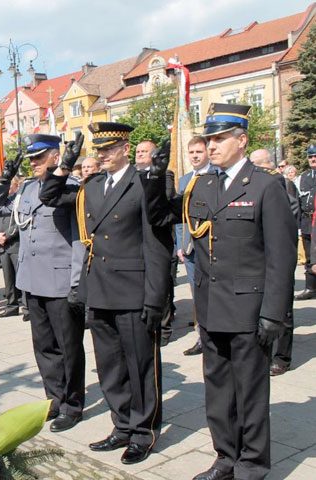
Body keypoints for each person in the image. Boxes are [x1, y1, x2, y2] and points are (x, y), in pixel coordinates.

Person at [145, 103, 296, 480]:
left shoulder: (265, 185)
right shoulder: (203, 184)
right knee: (218, 392)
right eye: (208, 138)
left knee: (250, 393)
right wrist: (155, 174)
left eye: (219, 138)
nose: (211, 145)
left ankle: (252, 465)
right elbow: (161, 216)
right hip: (210, 308)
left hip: (248, 309)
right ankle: (225, 457)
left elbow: (282, 255)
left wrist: (274, 312)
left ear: (241, 140)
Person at [75, 122, 171, 465]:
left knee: (141, 365)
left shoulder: (143, 184)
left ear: (125, 149)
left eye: (108, 149)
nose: (102, 155)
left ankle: (143, 433)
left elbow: (156, 243)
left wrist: (155, 296)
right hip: (101, 288)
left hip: (133, 289)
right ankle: (122, 425)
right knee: (110, 366)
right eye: (98, 150)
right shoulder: (94, 185)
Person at [0, 132, 86, 433]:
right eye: (30, 158)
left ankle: (72, 405)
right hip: (32, 279)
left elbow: (78, 239)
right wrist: (3, 180)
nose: (33, 163)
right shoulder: (29, 188)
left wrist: (76, 283)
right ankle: (54, 399)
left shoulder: (70, 188)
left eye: (39, 157)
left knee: (68, 347)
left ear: (55, 157)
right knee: (44, 345)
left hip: (59, 280)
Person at [175, 136, 216, 357]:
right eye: (191, 153)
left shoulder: (215, 176)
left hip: (209, 246)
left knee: (213, 293)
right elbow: (180, 217)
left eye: (199, 152)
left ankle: (215, 336)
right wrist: (179, 245)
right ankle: (201, 336)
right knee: (196, 294)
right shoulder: (184, 181)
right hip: (189, 248)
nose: (195, 156)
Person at [135, 139, 177, 346]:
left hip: (158, 241)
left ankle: (166, 327)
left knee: (163, 289)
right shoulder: (130, 177)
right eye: (138, 151)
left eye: (145, 151)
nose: (140, 154)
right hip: (137, 243)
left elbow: (165, 199)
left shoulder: (163, 174)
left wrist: (154, 177)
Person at [0, 175, 23, 318]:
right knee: (8, 277)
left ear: (15, 186)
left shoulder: (19, 200)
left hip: (15, 243)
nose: (7, 189)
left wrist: (7, 236)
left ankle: (27, 308)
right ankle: (11, 306)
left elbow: (20, 221)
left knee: (21, 277)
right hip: (2, 245)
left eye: (9, 186)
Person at [295, 144, 316, 300]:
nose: (313, 159)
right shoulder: (304, 176)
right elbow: (297, 201)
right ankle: (311, 288)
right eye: (310, 156)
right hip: (307, 221)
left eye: (315, 156)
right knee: (309, 256)